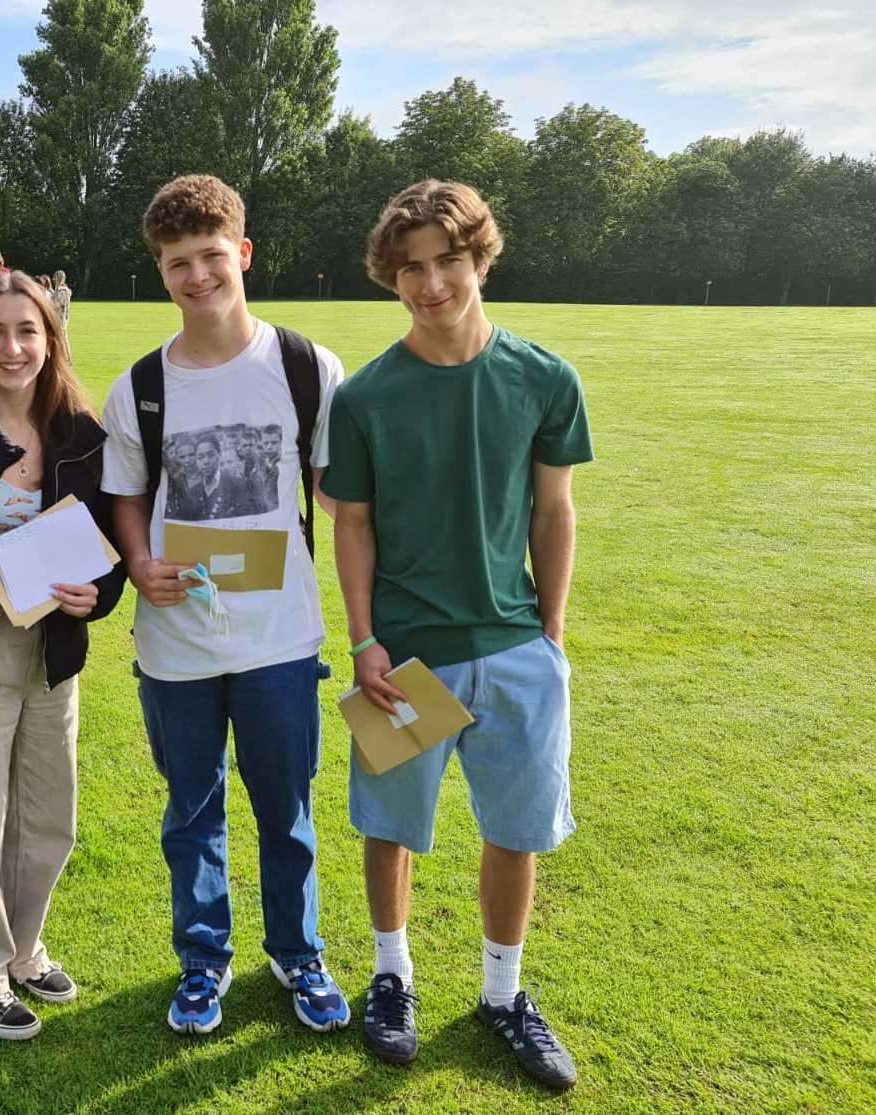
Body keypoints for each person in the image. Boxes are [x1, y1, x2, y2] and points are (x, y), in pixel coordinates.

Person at [321, 180, 593, 1090]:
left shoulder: (546, 378)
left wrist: (548, 632)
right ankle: (391, 976)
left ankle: (503, 995)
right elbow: (349, 522)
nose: (430, 283)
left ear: (480, 257)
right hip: (404, 656)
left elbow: (555, 512)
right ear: (391, 278)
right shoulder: (364, 397)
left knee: (514, 830)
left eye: (446, 260)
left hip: (514, 648)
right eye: (410, 268)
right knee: (388, 826)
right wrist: (363, 640)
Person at [99, 174, 351, 1036]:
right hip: (176, 639)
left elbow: (341, 500)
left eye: (211, 256)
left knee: (287, 808)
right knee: (192, 810)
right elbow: (126, 493)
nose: (197, 276)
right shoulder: (138, 385)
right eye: (178, 263)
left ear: (242, 253)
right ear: (161, 273)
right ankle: (204, 960)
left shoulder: (307, 367)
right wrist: (138, 562)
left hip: (280, 636)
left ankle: (298, 951)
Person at [0, 270, 126, 1041]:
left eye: (28, 331)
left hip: (51, 652)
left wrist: (97, 595)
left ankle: (25, 947)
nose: (13, 348)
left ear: (51, 338)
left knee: (49, 817)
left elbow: (110, 545)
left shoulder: (81, 432)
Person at [51, 270, 72, 335]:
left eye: (56, 278)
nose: (54, 280)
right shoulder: (59, 291)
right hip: (59, 318)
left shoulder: (63, 291)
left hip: (60, 318)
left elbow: (57, 303)